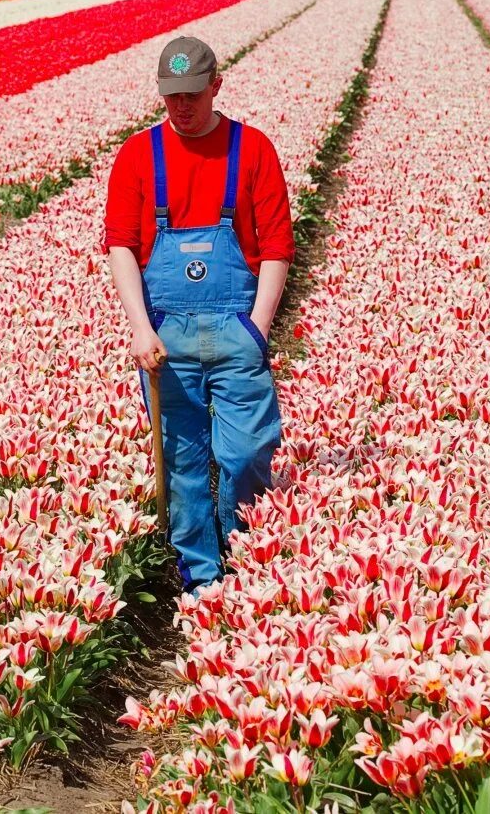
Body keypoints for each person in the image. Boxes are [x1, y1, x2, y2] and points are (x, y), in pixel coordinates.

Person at [105, 37, 294, 594]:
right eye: (171, 96)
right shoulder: (139, 154)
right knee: (183, 462)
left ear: (217, 85)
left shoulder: (252, 149)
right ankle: (202, 580)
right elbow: (121, 244)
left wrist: (257, 330)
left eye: (191, 94)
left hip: (237, 326)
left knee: (247, 450)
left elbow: (278, 246)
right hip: (167, 333)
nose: (181, 106)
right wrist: (141, 328)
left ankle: (243, 549)